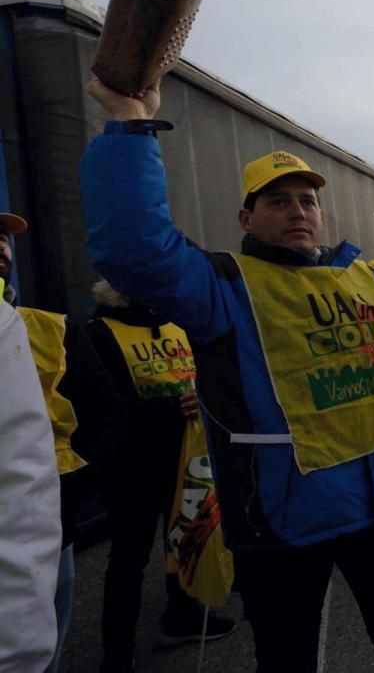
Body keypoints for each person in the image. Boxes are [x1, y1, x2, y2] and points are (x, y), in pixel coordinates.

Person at [81, 79, 374, 673]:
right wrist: (131, 122)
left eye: (307, 200)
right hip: (283, 524)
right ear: (247, 215)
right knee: (287, 660)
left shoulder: (360, 280)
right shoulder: (224, 288)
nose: (298, 210)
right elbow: (135, 251)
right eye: (278, 201)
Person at [87, 278, 237, 672]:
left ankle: (182, 615)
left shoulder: (178, 324)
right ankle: (117, 655)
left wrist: (199, 394)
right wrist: (172, 408)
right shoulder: (98, 331)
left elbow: (200, 375)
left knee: (185, 538)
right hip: (131, 467)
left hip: (184, 458)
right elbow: (100, 407)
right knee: (128, 560)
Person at [6, 212, 126, 672]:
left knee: (42, 647)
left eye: (3, 237)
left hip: (54, 523)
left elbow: (108, 412)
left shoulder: (52, 328)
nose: (1, 245)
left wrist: (75, 487)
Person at [0, 218, 62, 673]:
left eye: (3, 238)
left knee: (60, 589)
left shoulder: (27, 323)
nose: (2, 247)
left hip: (57, 499)